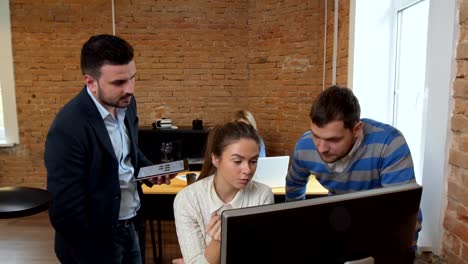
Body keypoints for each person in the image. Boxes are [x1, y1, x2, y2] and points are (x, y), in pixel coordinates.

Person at [44, 34, 175, 263]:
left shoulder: (127, 103)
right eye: (118, 83)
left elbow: (127, 155)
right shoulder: (67, 128)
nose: (130, 89)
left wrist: (149, 170)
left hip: (130, 223)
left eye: (132, 78)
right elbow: (66, 210)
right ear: (90, 82)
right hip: (93, 242)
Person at [285, 85, 422, 250]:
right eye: (316, 135)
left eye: (333, 140)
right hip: (341, 222)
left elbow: (403, 214)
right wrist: (297, 230)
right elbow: (294, 188)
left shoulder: (389, 144)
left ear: (356, 130)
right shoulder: (304, 147)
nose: (321, 148)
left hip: (385, 222)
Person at [173, 121, 274, 264]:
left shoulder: (262, 195)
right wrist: (217, 242)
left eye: (253, 161)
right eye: (237, 161)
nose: (248, 170)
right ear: (216, 159)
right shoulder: (188, 199)